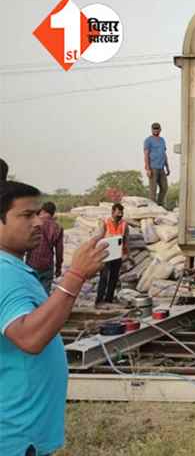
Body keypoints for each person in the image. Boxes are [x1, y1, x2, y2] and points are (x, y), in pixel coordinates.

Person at [0, 181, 106, 456]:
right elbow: (29, 337)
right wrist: (76, 276)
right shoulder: (4, 273)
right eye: (26, 215)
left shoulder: (14, 268)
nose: (39, 223)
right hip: (13, 437)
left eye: (39, 214)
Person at [24, 202, 64, 294]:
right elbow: (59, 250)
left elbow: (23, 243)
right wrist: (58, 268)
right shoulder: (58, 227)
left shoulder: (34, 223)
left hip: (32, 262)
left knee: (31, 291)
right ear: (53, 213)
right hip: (47, 264)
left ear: (42, 210)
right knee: (44, 294)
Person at [95, 203, 128, 306]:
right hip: (106, 254)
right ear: (113, 212)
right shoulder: (105, 222)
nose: (120, 214)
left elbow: (126, 239)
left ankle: (109, 299)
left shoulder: (124, 224)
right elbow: (99, 237)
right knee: (104, 277)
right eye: (118, 212)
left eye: (121, 212)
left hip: (117, 254)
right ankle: (99, 300)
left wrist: (126, 253)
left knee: (114, 278)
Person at [143, 122, 169, 206]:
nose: (155, 130)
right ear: (151, 130)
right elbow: (146, 154)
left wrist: (167, 167)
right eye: (154, 128)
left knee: (164, 187)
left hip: (161, 167)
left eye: (157, 128)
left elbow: (164, 154)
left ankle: (159, 205)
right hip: (153, 168)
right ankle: (152, 208)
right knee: (153, 190)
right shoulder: (148, 140)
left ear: (160, 129)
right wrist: (147, 169)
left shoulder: (162, 140)